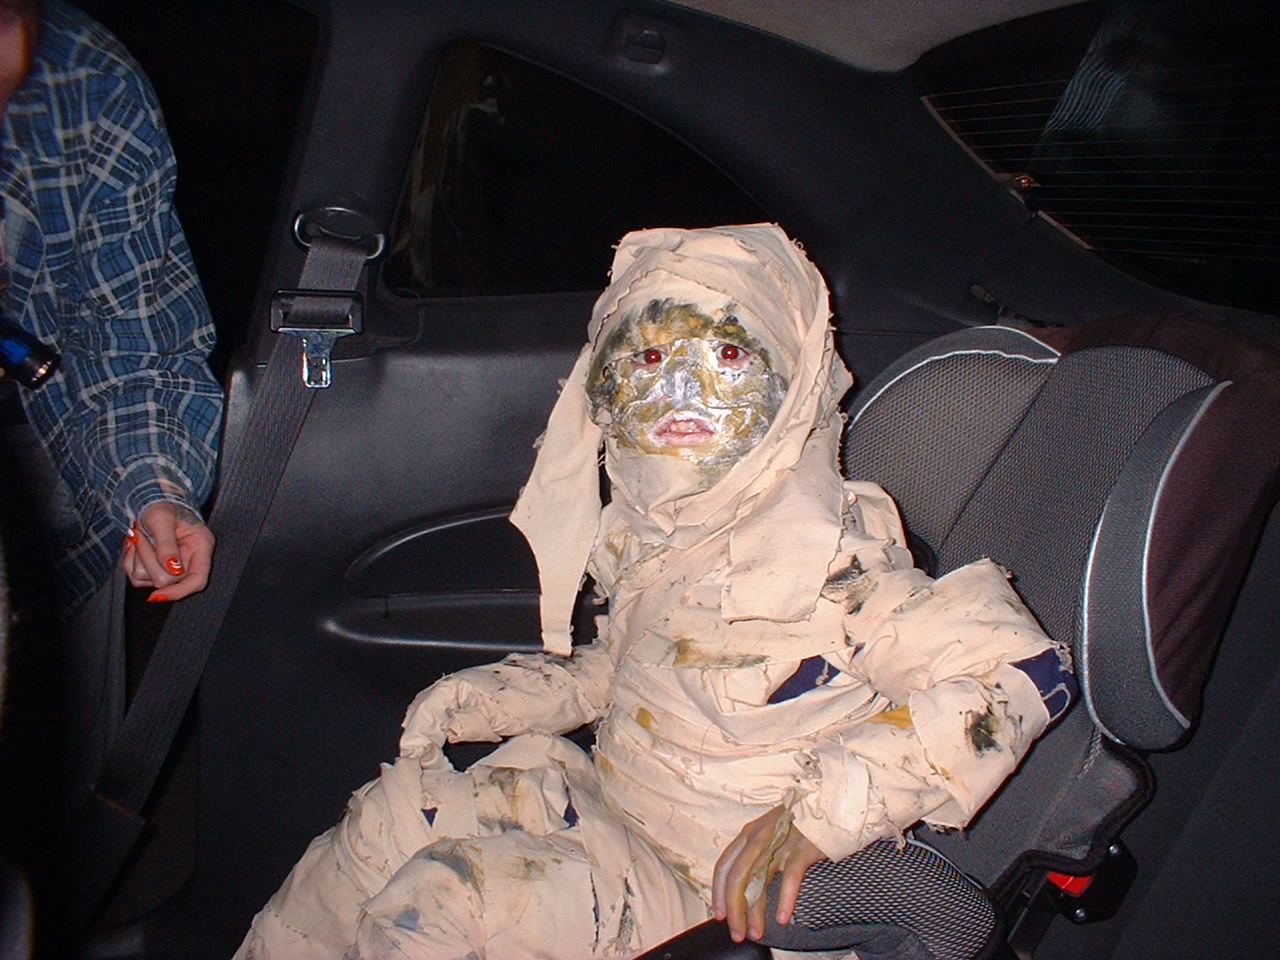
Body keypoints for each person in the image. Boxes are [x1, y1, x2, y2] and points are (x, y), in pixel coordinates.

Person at [235, 224, 1073, 959]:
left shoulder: (830, 567)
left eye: (728, 356)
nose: (680, 392)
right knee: (386, 822)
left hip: (723, 897)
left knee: (448, 899)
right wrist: (505, 695)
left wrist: (825, 812)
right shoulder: (659, 534)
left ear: (789, 383)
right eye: (648, 358)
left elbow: (1024, 672)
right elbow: (632, 669)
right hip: (619, 821)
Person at [0, 0, 222, 792]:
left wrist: (154, 488)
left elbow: (132, 338)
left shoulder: (87, 83)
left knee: (50, 801)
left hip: (50, 514)